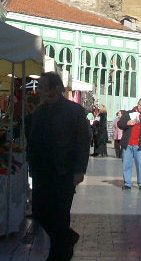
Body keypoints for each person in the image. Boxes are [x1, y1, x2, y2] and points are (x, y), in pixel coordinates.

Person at [26, 72, 88, 261]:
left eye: (43, 86)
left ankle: (59, 254)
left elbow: (83, 142)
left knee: (60, 215)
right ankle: (68, 238)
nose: (40, 91)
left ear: (54, 88)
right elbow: (33, 138)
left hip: (64, 171)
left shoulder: (74, 111)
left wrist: (79, 170)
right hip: (42, 172)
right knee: (39, 211)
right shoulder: (40, 111)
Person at [118, 97, 141, 189]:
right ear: (137, 104)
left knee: (140, 165)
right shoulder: (128, 114)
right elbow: (120, 124)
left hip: (139, 145)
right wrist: (127, 123)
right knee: (127, 164)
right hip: (128, 144)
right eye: (140, 105)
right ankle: (127, 183)